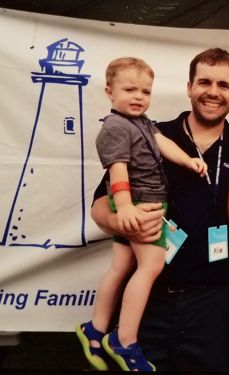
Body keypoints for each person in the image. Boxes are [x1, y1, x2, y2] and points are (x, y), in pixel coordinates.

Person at [90, 48, 229, 372]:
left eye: (223, 85)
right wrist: (121, 220)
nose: (213, 92)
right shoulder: (149, 133)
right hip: (147, 300)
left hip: (213, 303)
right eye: (204, 82)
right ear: (189, 87)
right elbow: (100, 205)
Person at [76, 57, 207, 371]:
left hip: (141, 206)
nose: (138, 97)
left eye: (145, 91)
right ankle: (125, 340)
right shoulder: (115, 127)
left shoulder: (144, 122)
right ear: (109, 92)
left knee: (120, 266)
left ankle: (95, 328)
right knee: (151, 265)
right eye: (130, 89)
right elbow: (117, 170)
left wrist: (188, 160)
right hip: (139, 207)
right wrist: (123, 208)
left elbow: (163, 143)